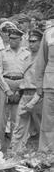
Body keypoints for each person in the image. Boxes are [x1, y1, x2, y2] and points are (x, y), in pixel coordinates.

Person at [0, 28, 30, 149]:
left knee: (17, 117)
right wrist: (8, 90)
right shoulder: (2, 52)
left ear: (21, 39)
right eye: (10, 38)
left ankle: (15, 144)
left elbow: (28, 73)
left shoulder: (27, 54)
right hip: (5, 84)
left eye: (15, 38)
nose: (12, 40)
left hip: (20, 86)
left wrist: (20, 90)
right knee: (1, 116)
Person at [11, 29, 43, 152]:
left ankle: (45, 156)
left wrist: (35, 100)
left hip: (38, 96)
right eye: (29, 41)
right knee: (19, 127)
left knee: (41, 129)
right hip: (25, 95)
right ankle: (14, 153)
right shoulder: (26, 58)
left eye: (34, 41)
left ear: (41, 42)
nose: (31, 44)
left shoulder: (44, 60)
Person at [35, 19, 54, 152]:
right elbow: (42, 60)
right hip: (50, 82)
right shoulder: (49, 33)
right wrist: (39, 84)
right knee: (48, 119)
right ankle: (46, 151)